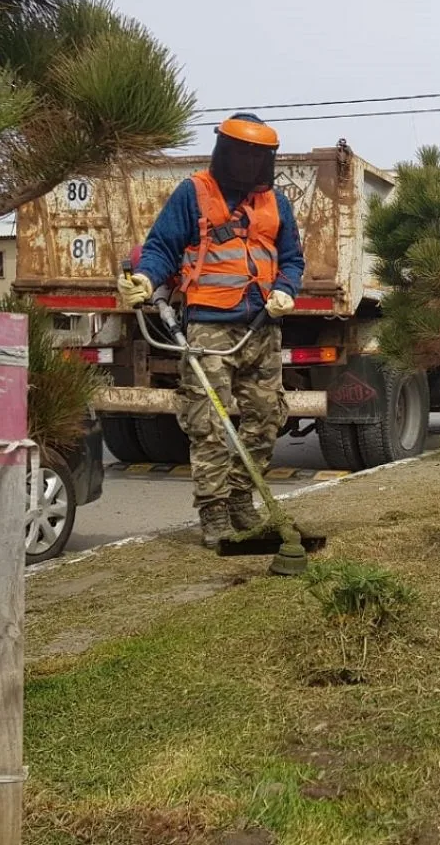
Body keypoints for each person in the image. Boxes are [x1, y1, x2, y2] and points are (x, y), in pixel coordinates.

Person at [117, 113, 305, 547]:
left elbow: (292, 258)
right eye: (240, 153)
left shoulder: (276, 203)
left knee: (266, 417)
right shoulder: (194, 193)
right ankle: (214, 510)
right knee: (209, 423)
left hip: (262, 326)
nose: (246, 163)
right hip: (209, 329)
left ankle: (242, 500)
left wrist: (286, 289)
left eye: (255, 156)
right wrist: (146, 280)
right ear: (224, 150)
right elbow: (162, 246)